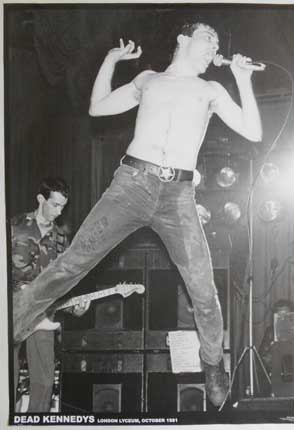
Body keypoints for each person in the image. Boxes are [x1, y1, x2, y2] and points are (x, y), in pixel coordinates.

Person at [13, 22, 262, 407]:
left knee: (204, 288)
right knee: (71, 263)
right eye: (207, 36)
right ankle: (11, 322)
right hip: (131, 185)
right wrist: (111, 59)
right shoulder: (149, 79)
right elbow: (98, 106)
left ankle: (213, 364)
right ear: (183, 39)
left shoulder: (211, 89)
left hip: (177, 195)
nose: (213, 44)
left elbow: (253, 132)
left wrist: (242, 80)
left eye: (216, 41)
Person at [12, 177, 90, 412]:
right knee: (8, 377)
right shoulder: (12, 227)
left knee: (44, 382)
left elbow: (61, 286)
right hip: (11, 313)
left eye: (63, 207)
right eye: (55, 205)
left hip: (42, 316)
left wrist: (75, 306)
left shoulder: (61, 240)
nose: (59, 211)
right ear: (40, 199)